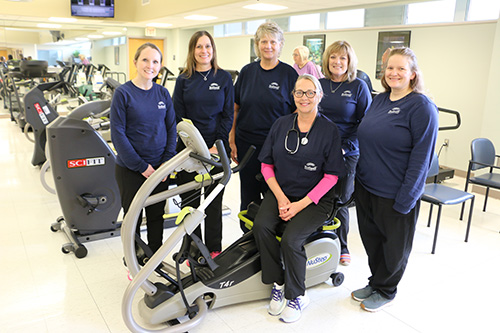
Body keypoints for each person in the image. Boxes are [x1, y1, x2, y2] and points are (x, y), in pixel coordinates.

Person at [253, 74, 346, 323]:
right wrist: (282, 199)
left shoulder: (329, 130)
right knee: (261, 226)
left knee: (291, 239)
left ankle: (297, 295)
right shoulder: (281, 124)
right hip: (282, 191)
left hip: (316, 199)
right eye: (299, 92)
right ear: (292, 95)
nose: (304, 98)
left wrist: (298, 205)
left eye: (310, 92)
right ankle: (278, 281)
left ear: (319, 96)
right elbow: (266, 166)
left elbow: (332, 177)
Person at [352, 47, 438, 312]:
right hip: (367, 187)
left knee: (394, 247)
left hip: (396, 192)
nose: (394, 73)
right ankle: (375, 281)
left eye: (401, 68)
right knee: (372, 240)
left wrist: (408, 197)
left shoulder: (422, 107)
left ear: (413, 74)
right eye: (390, 68)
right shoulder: (379, 100)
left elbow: (421, 159)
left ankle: (387, 289)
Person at [230, 21, 298, 232]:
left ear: (280, 45)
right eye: (263, 41)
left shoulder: (289, 75)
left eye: (273, 42)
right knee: (248, 194)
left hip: (277, 148)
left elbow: (298, 111)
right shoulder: (247, 72)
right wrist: (232, 138)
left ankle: (270, 239)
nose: (268, 46)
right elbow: (235, 106)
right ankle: (247, 237)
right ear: (257, 45)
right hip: (247, 144)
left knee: (273, 195)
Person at [110, 43, 176, 257]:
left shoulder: (163, 93)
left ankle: (155, 256)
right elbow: (118, 134)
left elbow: (171, 128)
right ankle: (133, 259)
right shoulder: (123, 93)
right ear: (136, 62)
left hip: (160, 169)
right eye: (145, 60)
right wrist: (141, 166)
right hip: (131, 169)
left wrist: (167, 163)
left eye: (155, 61)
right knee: (133, 217)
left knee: (156, 215)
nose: (150, 65)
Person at [173, 31, 234, 259]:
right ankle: (191, 248)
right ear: (192, 50)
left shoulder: (224, 78)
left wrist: (215, 145)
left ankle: (214, 248)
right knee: (189, 203)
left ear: (213, 49)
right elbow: (177, 116)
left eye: (208, 46)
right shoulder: (183, 80)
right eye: (199, 46)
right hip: (188, 151)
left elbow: (228, 115)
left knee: (213, 201)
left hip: (216, 150)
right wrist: (194, 146)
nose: (204, 51)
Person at [318, 40, 372, 266]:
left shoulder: (358, 86)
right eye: (333, 57)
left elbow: (367, 123)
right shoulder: (319, 84)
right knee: (317, 196)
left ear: (349, 62)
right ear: (327, 59)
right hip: (319, 150)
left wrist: (344, 147)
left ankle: (342, 245)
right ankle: (318, 239)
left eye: (343, 58)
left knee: (340, 199)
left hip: (347, 153)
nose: (337, 62)